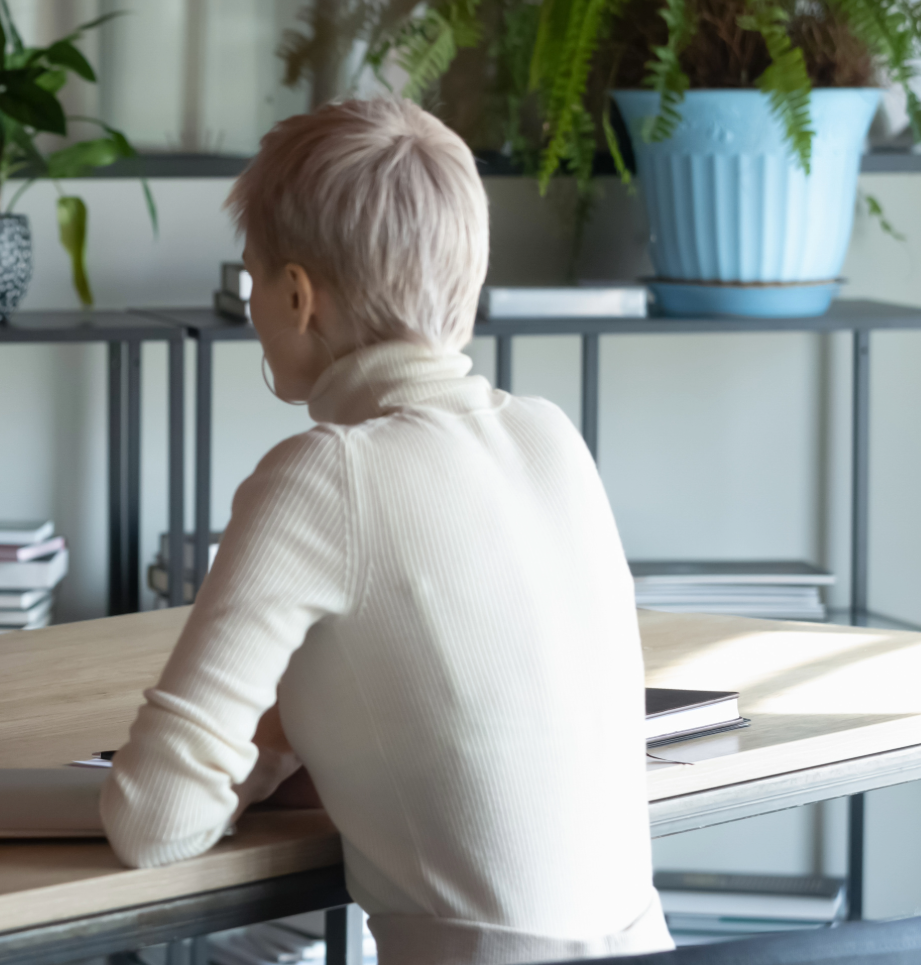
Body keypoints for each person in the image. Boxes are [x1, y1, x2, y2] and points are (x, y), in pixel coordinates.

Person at [99, 98, 672, 964]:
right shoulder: (552, 436)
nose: (250, 302)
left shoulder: (323, 475)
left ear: (298, 297)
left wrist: (278, 735)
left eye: (252, 276)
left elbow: (155, 821)